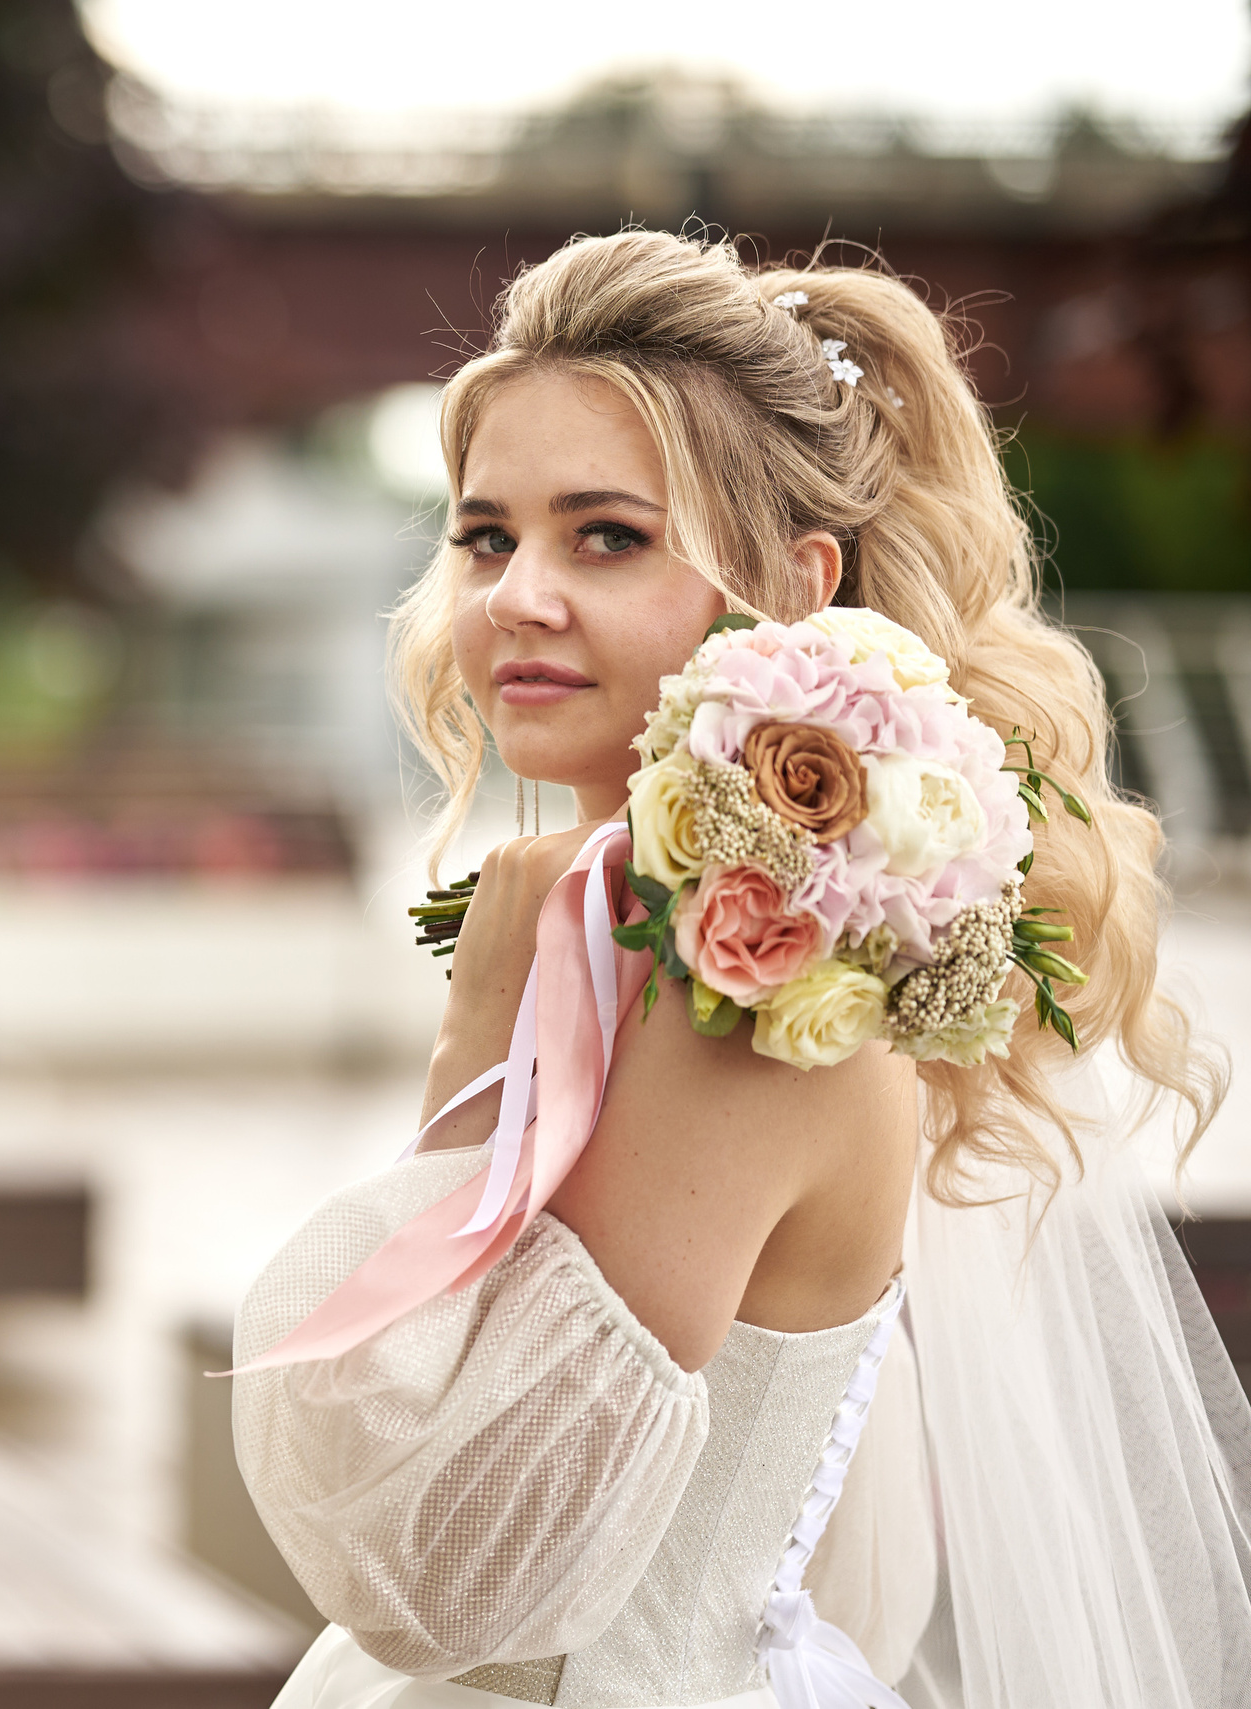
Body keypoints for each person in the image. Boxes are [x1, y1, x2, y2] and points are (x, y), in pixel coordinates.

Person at [233, 230, 1251, 1708]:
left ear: (791, 581)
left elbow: (459, 1577)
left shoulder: (765, 999)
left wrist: (471, 1053)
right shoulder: (642, 936)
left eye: (606, 535)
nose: (518, 593)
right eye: (485, 535)